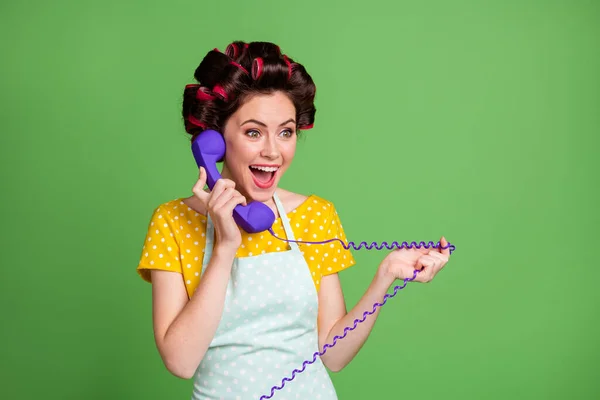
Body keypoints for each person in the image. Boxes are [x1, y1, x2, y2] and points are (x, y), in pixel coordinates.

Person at [136, 41, 451, 400]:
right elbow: (180, 361)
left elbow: (333, 354)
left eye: (285, 132)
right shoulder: (172, 221)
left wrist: (385, 277)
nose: (273, 151)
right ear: (216, 141)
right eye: (253, 132)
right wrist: (225, 248)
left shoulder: (315, 215)